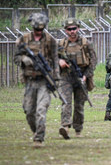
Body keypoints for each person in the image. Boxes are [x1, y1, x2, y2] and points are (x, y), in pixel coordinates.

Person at [14, 13, 59, 148]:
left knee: (41, 110)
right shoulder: (24, 39)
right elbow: (16, 57)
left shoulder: (51, 41)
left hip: (44, 81)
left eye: (41, 29)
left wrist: (55, 80)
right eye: (37, 30)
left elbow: (55, 61)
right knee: (29, 111)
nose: (39, 32)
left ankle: (39, 138)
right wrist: (24, 60)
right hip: (30, 81)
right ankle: (36, 131)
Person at [58, 18, 97, 139]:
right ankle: (65, 126)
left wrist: (86, 76)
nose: (72, 31)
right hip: (66, 76)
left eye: (74, 29)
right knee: (66, 102)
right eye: (69, 29)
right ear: (66, 30)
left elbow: (93, 60)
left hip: (81, 76)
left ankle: (78, 129)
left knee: (79, 105)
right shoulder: (61, 44)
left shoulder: (85, 43)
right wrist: (59, 61)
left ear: (78, 29)